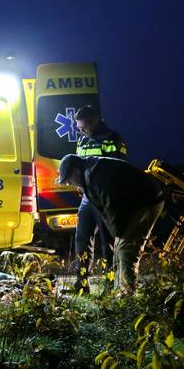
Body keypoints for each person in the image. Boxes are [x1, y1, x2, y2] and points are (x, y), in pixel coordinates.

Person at [57, 154, 164, 294]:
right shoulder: (88, 176)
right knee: (120, 246)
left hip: (147, 201)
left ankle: (126, 297)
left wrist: (119, 234)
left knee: (126, 248)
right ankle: (118, 292)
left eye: (69, 180)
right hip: (132, 202)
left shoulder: (98, 179)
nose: (70, 184)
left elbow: (113, 209)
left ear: (76, 172)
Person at [71, 106, 128, 292]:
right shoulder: (82, 139)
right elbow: (79, 164)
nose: (80, 131)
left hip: (105, 198)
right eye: (78, 128)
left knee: (107, 243)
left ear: (94, 120)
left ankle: (110, 285)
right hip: (87, 197)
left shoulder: (112, 138)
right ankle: (82, 284)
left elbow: (118, 168)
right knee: (81, 239)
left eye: (83, 126)